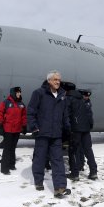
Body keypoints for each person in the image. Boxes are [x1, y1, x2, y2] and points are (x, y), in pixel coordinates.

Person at [27, 70, 71, 198]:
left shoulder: (62, 96)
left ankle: (60, 187)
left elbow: (65, 115)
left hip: (56, 134)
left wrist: (67, 130)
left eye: (59, 79)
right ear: (49, 81)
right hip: (42, 133)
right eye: (55, 79)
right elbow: (31, 112)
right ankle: (38, 181)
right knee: (40, 159)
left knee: (58, 160)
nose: (58, 82)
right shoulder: (39, 93)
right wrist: (34, 128)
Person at [66, 88, 98, 181]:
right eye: (86, 95)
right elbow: (89, 116)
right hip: (85, 129)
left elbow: (67, 114)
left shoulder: (71, 99)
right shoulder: (86, 102)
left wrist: (68, 127)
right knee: (88, 150)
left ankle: (75, 174)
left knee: (74, 151)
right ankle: (93, 172)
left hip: (76, 129)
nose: (87, 97)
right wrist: (89, 125)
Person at [0, 87, 27, 175]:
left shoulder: (21, 104)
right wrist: (0, 123)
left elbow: (24, 116)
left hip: (17, 130)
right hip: (8, 129)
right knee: (7, 149)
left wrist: (24, 126)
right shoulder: (6, 103)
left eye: (20, 92)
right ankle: (4, 168)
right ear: (13, 93)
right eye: (17, 92)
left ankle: (12, 164)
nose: (19, 94)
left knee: (13, 148)